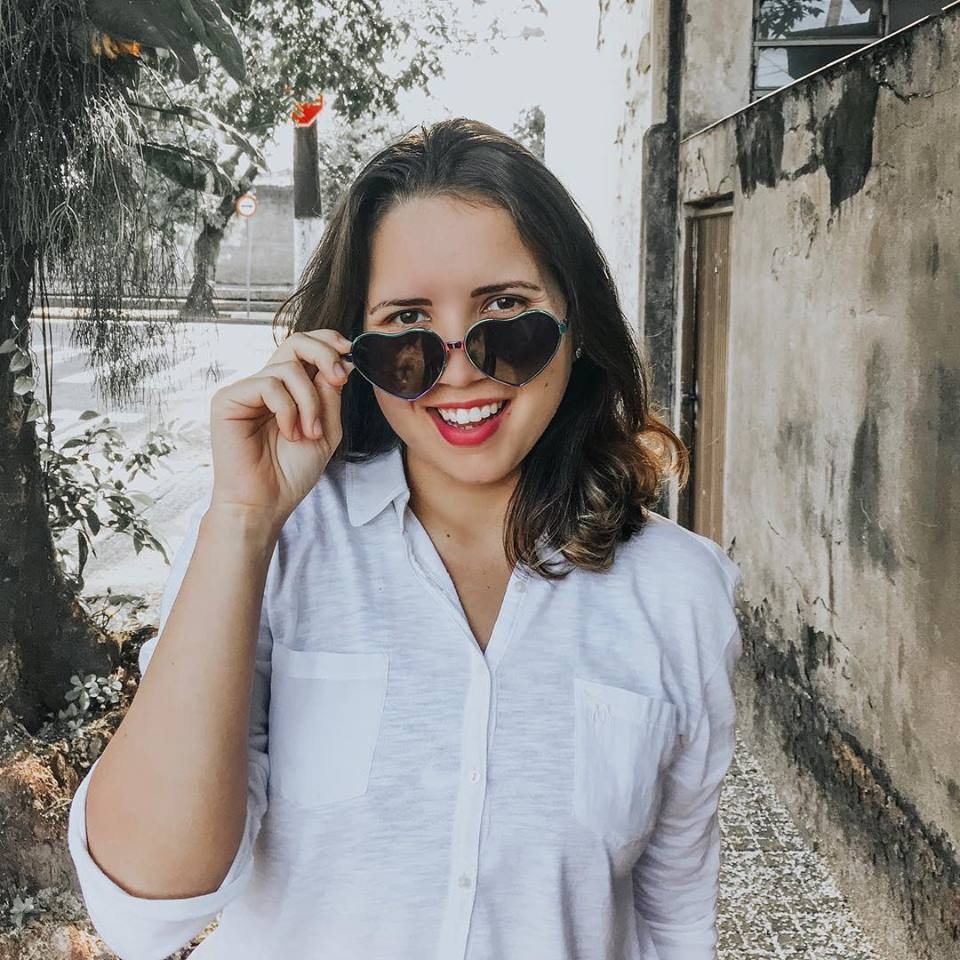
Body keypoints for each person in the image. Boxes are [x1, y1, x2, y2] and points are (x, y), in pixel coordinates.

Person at [67, 117, 742, 960]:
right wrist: (242, 522)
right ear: (353, 350)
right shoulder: (275, 549)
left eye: (507, 311)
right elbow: (142, 913)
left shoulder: (681, 593)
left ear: (578, 327)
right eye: (409, 322)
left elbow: (671, 919)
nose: (459, 369)